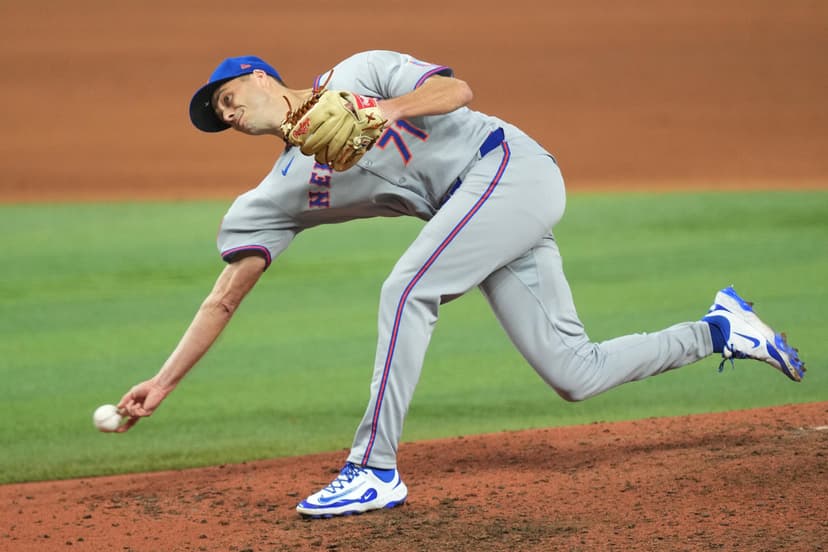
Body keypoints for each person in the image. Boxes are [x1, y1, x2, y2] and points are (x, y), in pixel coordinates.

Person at [117, 50, 805, 518]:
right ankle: (722, 329)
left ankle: (373, 469)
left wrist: (383, 110)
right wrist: (163, 382)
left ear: (263, 76)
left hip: (510, 167)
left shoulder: (360, 69)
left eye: (229, 98)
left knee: (406, 287)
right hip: (482, 214)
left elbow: (458, 92)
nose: (229, 115)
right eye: (221, 117)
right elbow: (224, 296)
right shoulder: (275, 195)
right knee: (575, 372)